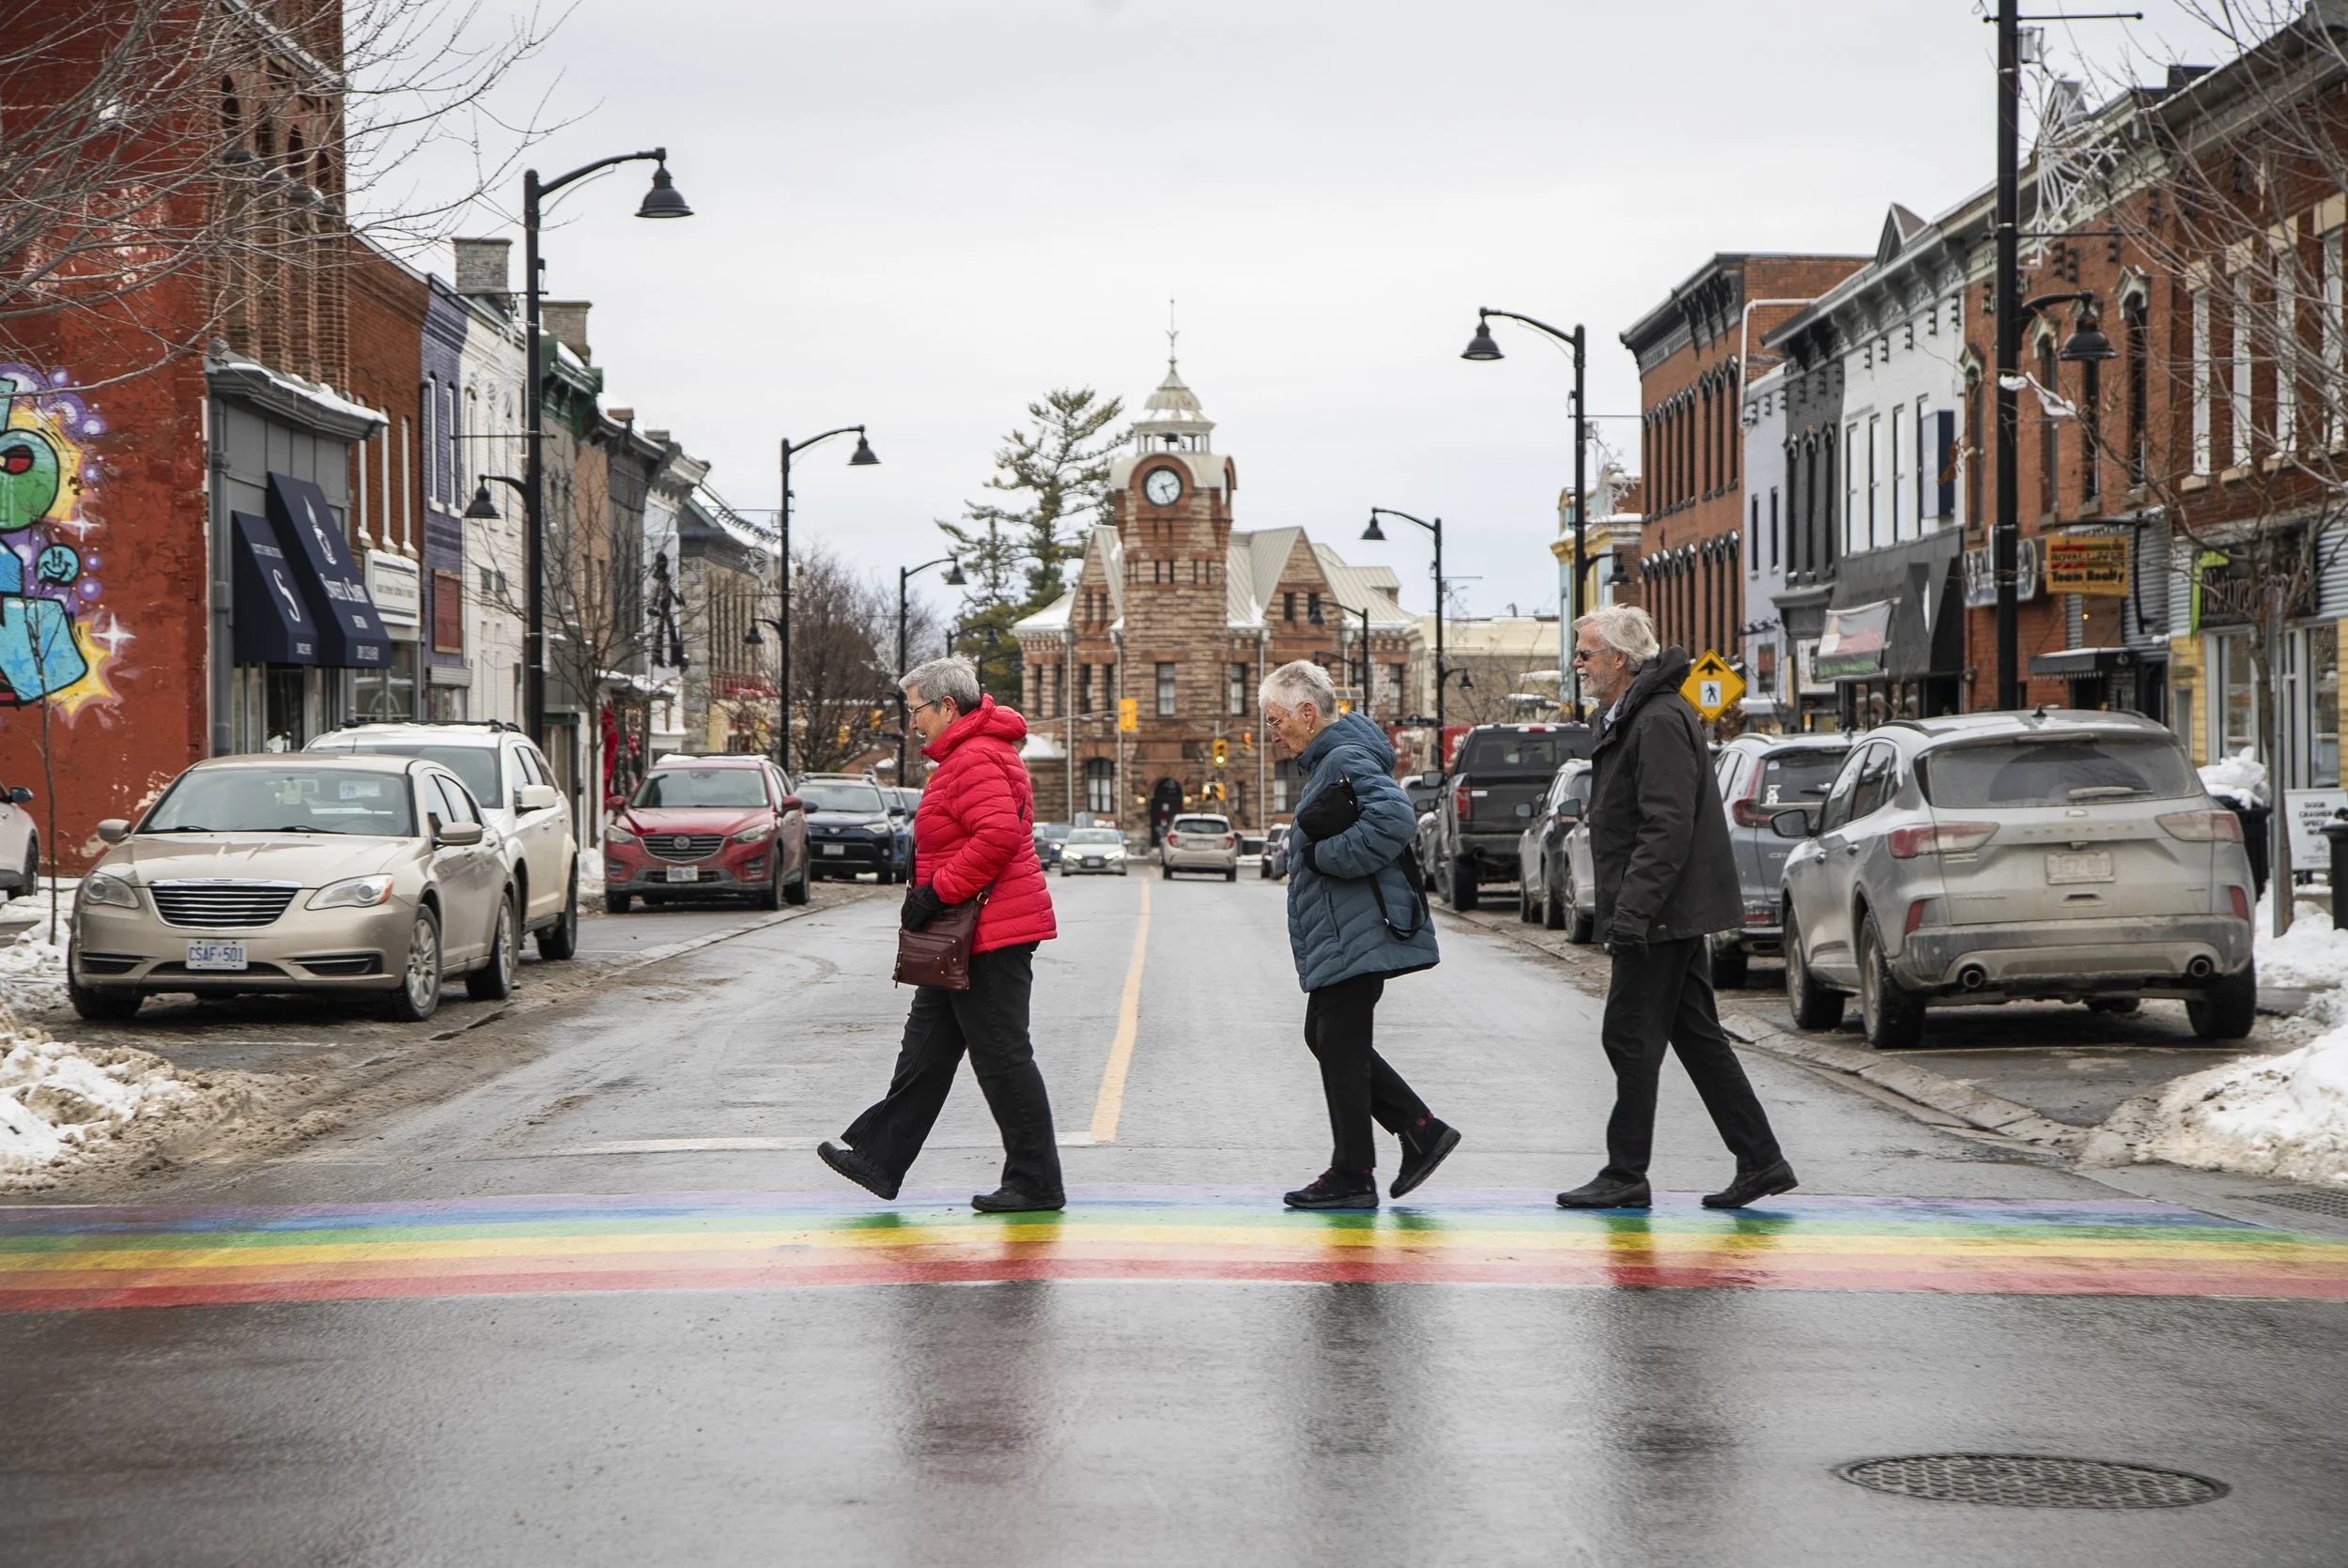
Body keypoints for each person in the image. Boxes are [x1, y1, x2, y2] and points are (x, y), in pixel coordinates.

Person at [1558, 607, 1798, 1212]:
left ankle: (1625, 1173)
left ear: (1619, 659)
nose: (1578, 664)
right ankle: (1761, 1159)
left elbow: (1666, 827)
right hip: (1664, 906)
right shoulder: (1636, 715)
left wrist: (1633, 913)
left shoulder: (1658, 719)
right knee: (1694, 1035)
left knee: (1630, 1034)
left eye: (1586, 653)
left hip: (1659, 909)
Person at [819, 656, 1065, 1213]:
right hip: (959, 933)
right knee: (925, 1051)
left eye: (917, 710)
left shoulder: (975, 757)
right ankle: (879, 1159)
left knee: (1002, 1055)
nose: (912, 723)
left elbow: (998, 835)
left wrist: (939, 892)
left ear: (948, 707)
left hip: (989, 932)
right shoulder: (964, 756)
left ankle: (1037, 1182)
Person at [1263, 658, 1459, 1210]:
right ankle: (1420, 1130)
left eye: (1277, 720)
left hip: (1357, 929)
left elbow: (1395, 819)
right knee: (1326, 1038)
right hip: (1344, 930)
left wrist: (1329, 857)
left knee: (1340, 1043)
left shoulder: (1343, 758)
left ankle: (1354, 1172)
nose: (1273, 733)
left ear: (1308, 712)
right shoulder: (1327, 760)